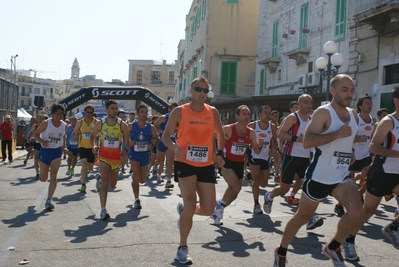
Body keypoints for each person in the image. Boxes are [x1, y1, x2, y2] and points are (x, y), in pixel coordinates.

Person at [274, 74, 362, 267]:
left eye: (351, 89)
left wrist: (351, 150)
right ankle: (281, 251)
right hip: (319, 175)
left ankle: (334, 245)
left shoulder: (353, 114)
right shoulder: (324, 113)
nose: (349, 94)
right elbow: (307, 141)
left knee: (356, 212)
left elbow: (346, 140)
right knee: (303, 217)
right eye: (344, 89)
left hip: (341, 174)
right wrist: (336, 134)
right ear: (332, 91)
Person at [162, 77, 225, 265]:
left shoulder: (212, 112)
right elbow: (165, 136)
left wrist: (219, 152)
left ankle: (184, 212)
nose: (202, 94)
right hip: (184, 162)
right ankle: (182, 248)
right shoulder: (179, 112)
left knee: (208, 209)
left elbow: (220, 133)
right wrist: (174, 147)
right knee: (190, 202)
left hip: (205, 164)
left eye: (206, 90)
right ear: (191, 90)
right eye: (199, 89)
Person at [341, 86, 399, 261]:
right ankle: (348, 240)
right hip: (382, 172)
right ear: (396, 101)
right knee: (367, 212)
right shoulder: (388, 122)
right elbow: (373, 146)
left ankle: (393, 226)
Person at [210, 105, 263, 225]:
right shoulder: (228, 129)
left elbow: (257, 150)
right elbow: (212, 136)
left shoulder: (251, 133)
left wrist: (259, 145)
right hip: (226, 161)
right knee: (236, 187)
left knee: (234, 192)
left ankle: (219, 206)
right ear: (237, 116)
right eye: (244, 114)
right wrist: (215, 154)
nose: (246, 117)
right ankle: (219, 207)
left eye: (248, 114)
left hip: (239, 163)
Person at [90, 100, 130, 220]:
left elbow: (127, 140)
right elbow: (93, 136)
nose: (114, 110)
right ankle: (103, 210)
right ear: (107, 110)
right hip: (103, 156)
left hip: (116, 158)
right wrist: (94, 145)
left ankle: (100, 181)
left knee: (112, 185)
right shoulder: (100, 123)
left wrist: (125, 149)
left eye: (116, 108)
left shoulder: (122, 124)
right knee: (106, 182)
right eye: (112, 108)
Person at [34, 104, 67, 210]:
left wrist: (64, 147)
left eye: (61, 113)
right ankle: (41, 176)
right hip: (45, 151)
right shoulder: (45, 123)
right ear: (52, 114)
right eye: (57, 113)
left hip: (56, 152)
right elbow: (36, 134)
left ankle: (49, 200)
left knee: (53, 176)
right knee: (44, 178)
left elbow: (63, 137)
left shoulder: (64, 125)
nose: (59, 115)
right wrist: (42, 141)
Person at [128, 104, 160, 209]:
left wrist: (153, 145)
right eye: (142, 112)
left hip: (145, 155)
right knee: (137, 177)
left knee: (142, 180)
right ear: (137, 114)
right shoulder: (131, 126)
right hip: (134, 154)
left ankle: (135, 178)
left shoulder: (150, 127)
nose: (144, 114)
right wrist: (129, 142)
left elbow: (157, 139)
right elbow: (122, 136)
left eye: (146, 112)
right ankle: (136, 199)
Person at [247, 105, 278, 214]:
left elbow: (274, 141)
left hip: (265, 157)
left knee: (264, 184)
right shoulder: (252, 126)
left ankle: (265, 197)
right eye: (265, 112)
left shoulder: (272, 127)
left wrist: (275, 149)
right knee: (256, 180)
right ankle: (256, 204)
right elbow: (244, 138)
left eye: (269, 113)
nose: (267, 115)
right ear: (259, 114)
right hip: (254, 155)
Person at [153, 102, 179, 188]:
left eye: (176, 109)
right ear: (169, 109)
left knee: (170, 160)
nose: (174, 110)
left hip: (171, 142)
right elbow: (154, 127)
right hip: (162, 141)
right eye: (173, 108)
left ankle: (168, 180)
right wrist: (162, 132)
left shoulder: (178, 119)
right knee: (160, 160)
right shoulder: (163, 118)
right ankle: (156, 168)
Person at [73, 104, 97, 193]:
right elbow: (75, 132)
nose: (89, 114)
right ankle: (83, 184)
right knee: (84, 164)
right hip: (82, 146)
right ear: (85, 112)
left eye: (91, 112)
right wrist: (75, 136)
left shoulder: (96, 122)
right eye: (87, 112)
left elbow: (101, 133)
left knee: (90, 168)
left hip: (92, 147)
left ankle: (86, 171)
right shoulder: (80, 122)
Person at [29, 114, 46, 179]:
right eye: (39, 118)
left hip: (44, 144)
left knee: (42, 160)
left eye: (41, 118)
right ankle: (37, 172)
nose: (40, 120)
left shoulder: (46, 126)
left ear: (44, 119)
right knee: (36, 159)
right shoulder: (35, 126)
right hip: (37, 144)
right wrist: (31, 137)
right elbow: (31, 132)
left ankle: (42, 170)